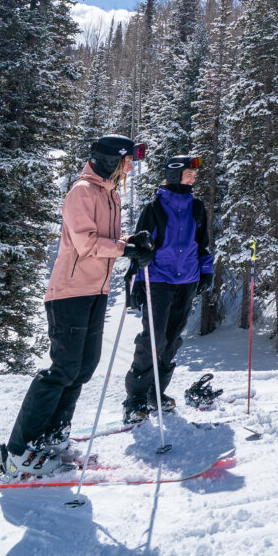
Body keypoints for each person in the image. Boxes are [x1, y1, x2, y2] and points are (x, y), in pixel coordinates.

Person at [0, 136, 155, 478]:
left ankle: (53, 438)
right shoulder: (82, 191)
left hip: (95, 291)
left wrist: (131, 242)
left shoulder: (109, 194)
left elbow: (104, 241)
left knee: (83, 369)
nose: (129, 167)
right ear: (107, 159)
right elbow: (85, 243)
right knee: (62, 370)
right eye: (126, 160)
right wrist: (124, 250)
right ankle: (19, 451)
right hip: (69, 293)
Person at [122, 154, 215, 422]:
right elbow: (140, 249)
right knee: (153, 338)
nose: (193, 177)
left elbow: (202, 244)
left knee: (172, 339)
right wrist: (138, 282)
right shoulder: (154, 209)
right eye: (189, 173)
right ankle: (135, 398)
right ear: (175, 174)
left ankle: (155, 393)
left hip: (187, 279)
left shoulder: (196, 207)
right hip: (158, 279)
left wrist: (205, 271)